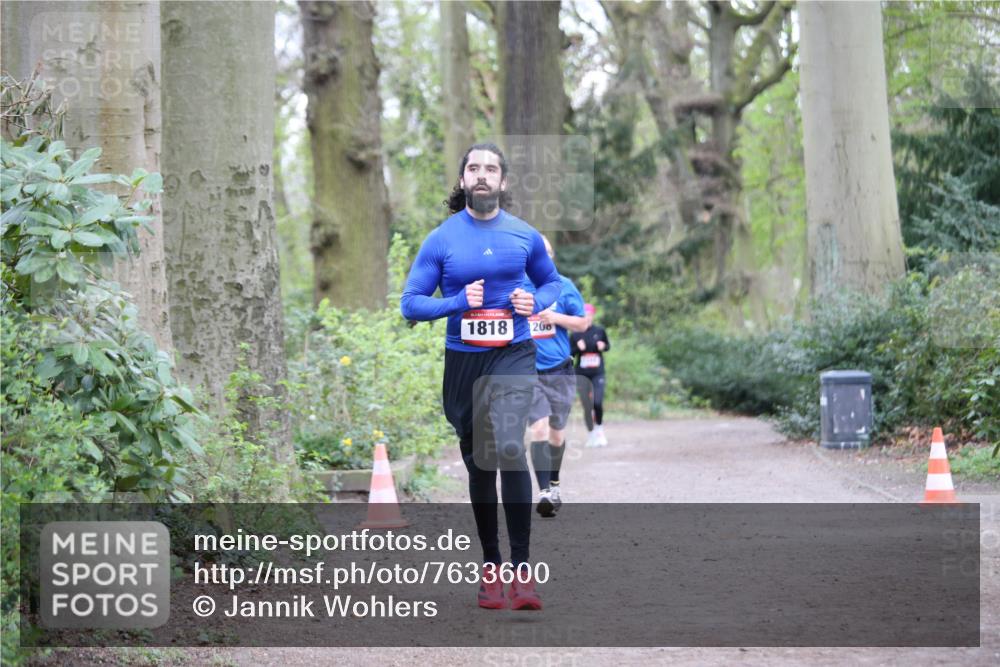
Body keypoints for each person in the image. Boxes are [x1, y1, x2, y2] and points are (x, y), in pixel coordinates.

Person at [400, 143, 561, 611]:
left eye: (491, 168)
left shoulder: (523, 235)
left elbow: (551, 282)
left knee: (508, 446)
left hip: (513, 353)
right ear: (463, 179)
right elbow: (411, 303)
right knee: (480, 465)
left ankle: (522, 572)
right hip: (464, 362)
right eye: (474, 168)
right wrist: (456, 302)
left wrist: (537, 302)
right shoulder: (442, 239)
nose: (482, 175)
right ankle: (491, 567)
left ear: (503, 182)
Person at [522, 236, 588, 518]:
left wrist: (555, 318)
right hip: (527, 371)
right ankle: (544, 492)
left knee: (556, 433)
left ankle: (555, 483)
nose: (541, 258)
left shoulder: (563, 285)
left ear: (551, 256)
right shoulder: (516, 287)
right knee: (539, 429)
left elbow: (582, 323)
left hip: (559, 369)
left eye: (545, 253)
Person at [571, 304, 611, 447]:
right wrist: (577, 348)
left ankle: (599, 431)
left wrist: (603, 346)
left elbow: (607, 346)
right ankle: (591, 434)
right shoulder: (575, 334)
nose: (587, 317)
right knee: (587, 406)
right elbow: (569, 353)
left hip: (597, 373)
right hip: (582, 375)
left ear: (593, 316)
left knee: (597, 402)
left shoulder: (599, 331)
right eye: (584, 315)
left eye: (589, 315)